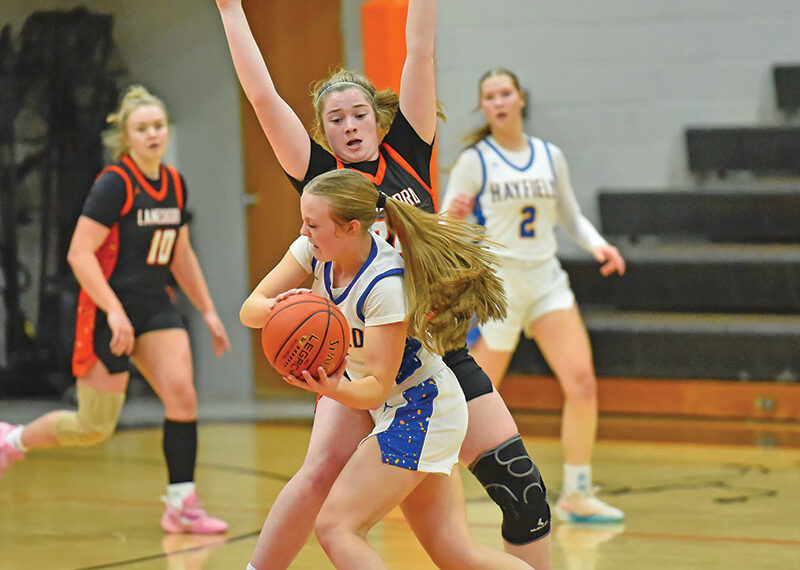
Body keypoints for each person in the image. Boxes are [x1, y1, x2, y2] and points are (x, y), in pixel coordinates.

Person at [215, 1, 552, 568]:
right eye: (336, 120)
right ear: (323, 131)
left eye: (358, 115)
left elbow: (419, 49)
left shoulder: (409, 155)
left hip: (434, 356)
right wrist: (230, 9)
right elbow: (264, 98)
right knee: (320, 476)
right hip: (361, 363)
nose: (349, 126)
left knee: (520, 488)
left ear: (377, 119)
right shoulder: (323, 183)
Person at [241, 168, 533, 570]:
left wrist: (328, 386)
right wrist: (281, 308)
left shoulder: (384, 286)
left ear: (351, 228)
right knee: (456, 554)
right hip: (402, 408)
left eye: (312, 224)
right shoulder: (313, 250)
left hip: (422, 409)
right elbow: (250, 310)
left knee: (336, 527)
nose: (303, 232)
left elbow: (376, 387)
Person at [0, 85, 232, 534]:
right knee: (93, 426)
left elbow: (180, 254)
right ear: (126, 138)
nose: (152, 134)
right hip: (109, 309)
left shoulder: (174, 184)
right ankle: (12, 439)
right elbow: (79, 253)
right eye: (142, 128)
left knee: (182, 395)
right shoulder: (115, 184)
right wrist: (114, 311)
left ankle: (181, 504)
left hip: (155, 307)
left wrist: (207, 310)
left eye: (158, 126)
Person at [441, 68, 627, 524]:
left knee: (582, 383)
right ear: (483, 107)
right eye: (489, 96)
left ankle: (577, 493)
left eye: (505, 93)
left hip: (546, 282)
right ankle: (435, 490)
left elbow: (571, 215)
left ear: (520, 98)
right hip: (499, 288)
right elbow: (443, 229)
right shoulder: (475, 161)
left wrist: (599, 245)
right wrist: (454, 217)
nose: (498, 102)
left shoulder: (549, 155)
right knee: (471, 399)